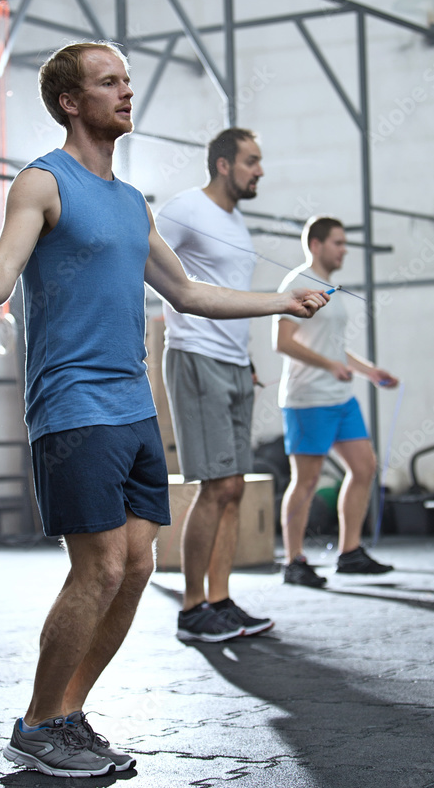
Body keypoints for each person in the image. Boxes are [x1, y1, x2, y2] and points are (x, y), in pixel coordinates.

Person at [0, 40, 330, 777]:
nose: (126, 92)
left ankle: (64, 713)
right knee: (98, 567)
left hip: (131, 406)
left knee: (137, 566)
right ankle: (35, 723)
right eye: (107, 82)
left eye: (127, 79)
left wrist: (282, 297)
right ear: (70, 101)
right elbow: (4, 262)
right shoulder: (42, 182)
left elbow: (187, 293)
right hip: (72, 405)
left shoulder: (129, 203)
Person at [156, 128, 275, 643]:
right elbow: (140, 256)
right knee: (217, 485)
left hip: (232, 362)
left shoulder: (235, 221)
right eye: (251, 161)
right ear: (224, 164)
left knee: (232, 491)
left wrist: (245, 358)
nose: (260, 171)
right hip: (196, 356)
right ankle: (191, 610)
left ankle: (220, 600)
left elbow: (231, 293)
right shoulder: (185, 208)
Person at [272, 216, 399, 588]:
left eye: (345, 243)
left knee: (364, 467)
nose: (344, 249)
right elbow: (283, 342)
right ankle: (294, 561)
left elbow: (332, 346)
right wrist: (329, 365)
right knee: (307, 481)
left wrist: (370, 371)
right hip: (308, 399)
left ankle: (350, 552)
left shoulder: (331, 288)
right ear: (316, 244)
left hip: (341, 398)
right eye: (338, 243)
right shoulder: (296, 284)